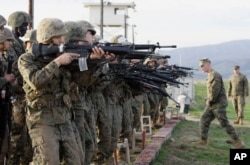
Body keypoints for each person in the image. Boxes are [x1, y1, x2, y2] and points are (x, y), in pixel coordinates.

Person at [18, 17, 84, 164]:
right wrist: (58, 63)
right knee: (49, 161)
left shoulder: (63, 56)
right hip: (42, 118)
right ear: (46, 36)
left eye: (63, 36)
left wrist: (94, 63)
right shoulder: (27, 59)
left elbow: (83, 81)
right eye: (58, 36)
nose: (62, 40)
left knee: (76, 160)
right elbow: (36, 81)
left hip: (64, 116)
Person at [196, 58, 245, 149]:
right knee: (203, 119)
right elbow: (211, 92)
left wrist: (209, 100)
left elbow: (215, 91)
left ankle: (238, 142)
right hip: (212, 104)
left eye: (202, 66)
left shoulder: (215, 75)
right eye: (200, 66)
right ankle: (203, 141)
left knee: (224, 123)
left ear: (208, 64)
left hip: (218, 104)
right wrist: (209, 100)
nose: (201, 68)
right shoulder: (210, 75)